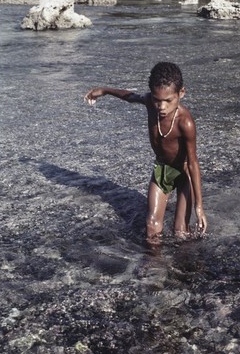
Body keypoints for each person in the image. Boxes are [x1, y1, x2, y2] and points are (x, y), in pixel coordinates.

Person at [84, 62, 207, 242]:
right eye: (157, 100)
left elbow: (194, 162)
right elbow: (129, 96)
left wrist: (199, 206)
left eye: (168, 101)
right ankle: (154, 266)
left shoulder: (185, 122)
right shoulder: (150, 102)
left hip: (184, 173)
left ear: (181, 93)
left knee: (180, 233)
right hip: (163, 169)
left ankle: (182, 265)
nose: (162, 107)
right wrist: (104, 90)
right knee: (151, 225)